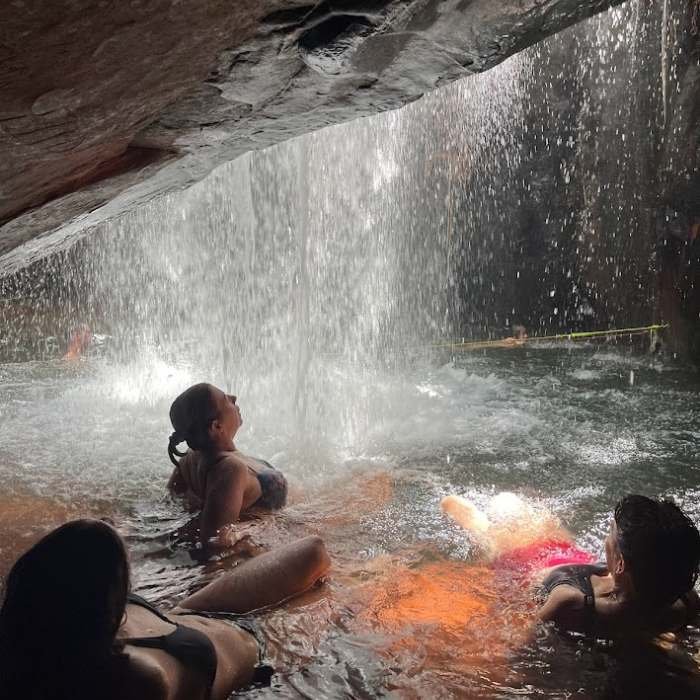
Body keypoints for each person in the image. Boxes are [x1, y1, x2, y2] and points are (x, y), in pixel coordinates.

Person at [0, 519, 331, 700]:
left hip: (192, 614)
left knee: (313, 551)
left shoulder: (49, 624)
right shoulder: (137, 680)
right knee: (331, 588)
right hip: (263, 648)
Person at [441, 493, 700, 639]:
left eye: (611, 534)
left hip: (525, 564)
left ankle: (479, 525)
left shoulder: (570, 601)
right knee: (512, 509)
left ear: (620, 563)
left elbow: (521, 644)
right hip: (575, 561)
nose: (605, 538)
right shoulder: (685, 603)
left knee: (504, 505)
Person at [167, 383, 287, 553]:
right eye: (226, 400)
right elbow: (216, 542)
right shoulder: (230, 469)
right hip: (263, 545)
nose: (234, 397)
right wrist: (264, 526)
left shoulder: (190, 457)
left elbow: (172, 499)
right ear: (216, 426)